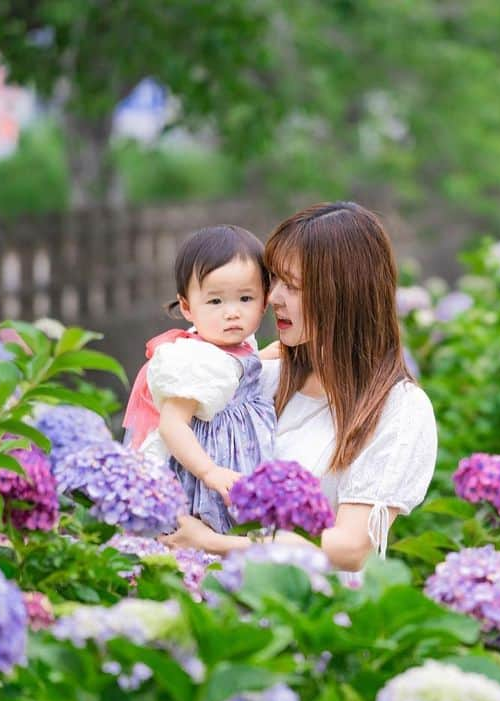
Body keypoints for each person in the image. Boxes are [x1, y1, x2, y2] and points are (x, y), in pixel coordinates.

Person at [160, 202, 437, 571]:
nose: (272, 297)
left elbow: (351, 549)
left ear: (343, 294)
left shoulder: (398, 410)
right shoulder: (260, 379)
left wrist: (216, 544)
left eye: (292, 285)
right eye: (273, 280)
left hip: (309, 613)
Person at [123, 225, 276, 533]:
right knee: (212, 531)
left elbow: (235, 369)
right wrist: (209, 472)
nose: (232, 313)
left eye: (245, 298)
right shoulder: (194, 360)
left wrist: (270, 356)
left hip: (238, 457)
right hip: (206, 468)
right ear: (187, 307)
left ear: (264, 300)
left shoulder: (236, 345)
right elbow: (172, 424)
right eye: (215, 302)